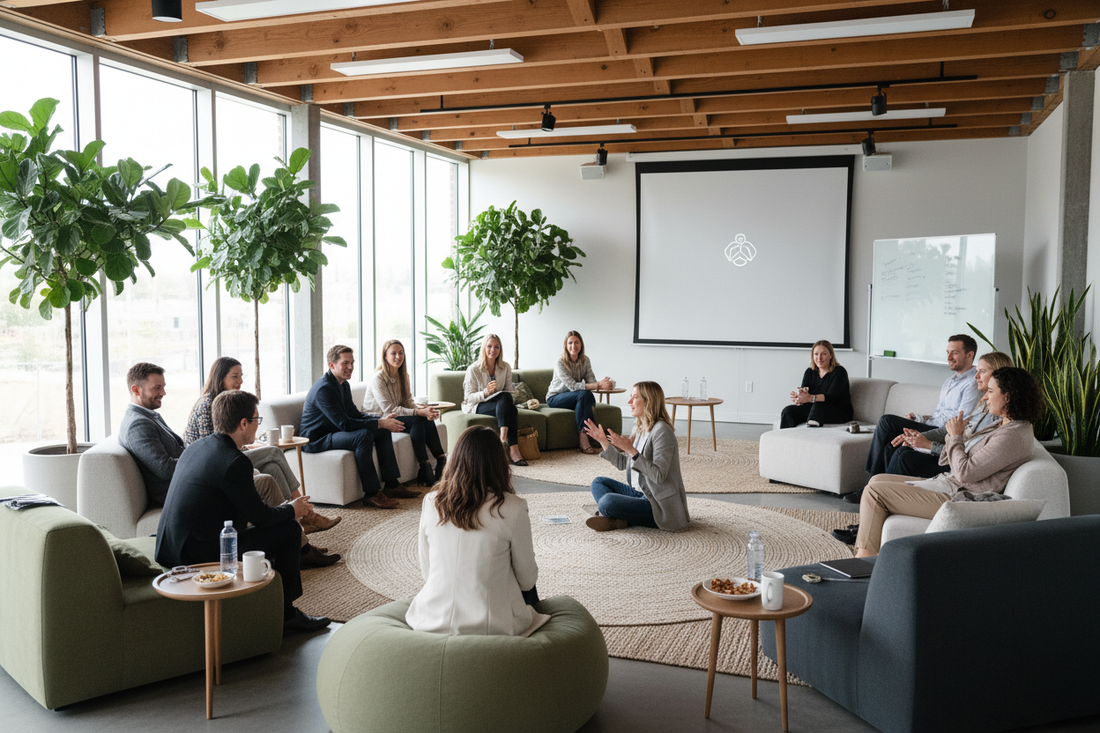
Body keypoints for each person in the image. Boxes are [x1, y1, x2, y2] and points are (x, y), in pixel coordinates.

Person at [155, 389, 331, 634]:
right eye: (257, 419)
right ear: (243, 423)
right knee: (290, 530)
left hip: (169, 546)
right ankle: (286, 615)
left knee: (271, 529)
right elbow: (262, 518)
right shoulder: (234, 461)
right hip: (194, 554)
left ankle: (265, 598)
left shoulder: (198, 447)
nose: (259, 425)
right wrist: (293, 509)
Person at [850, 366, 1044, 557]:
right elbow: (959, 456)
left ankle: (864, 559)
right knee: (877, 480)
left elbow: (965, 472)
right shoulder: (1002, 425)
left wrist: (955, 436)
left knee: (875, 492)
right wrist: (934, 442)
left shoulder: (1011, 436)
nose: (985, 397)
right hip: (950, 484)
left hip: (960, 499)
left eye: (991, 391)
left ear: (1007, 397)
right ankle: (871, 552)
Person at [405, 426, 550, 637]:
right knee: (522, 579)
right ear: (499, 463)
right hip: (492, 625)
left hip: (431, 618)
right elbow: (527, 580)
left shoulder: (431, 502)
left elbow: (427, 573)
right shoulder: (513, 507)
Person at [186, 356, 341, 536]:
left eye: (241, 376)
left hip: (227, 456)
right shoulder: (207, 404)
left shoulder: (229, 402)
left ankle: (294, 524)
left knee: (272, 467)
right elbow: (211, 448)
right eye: (235, 376)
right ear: (220, 378)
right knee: (273, 452)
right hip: (212, 467)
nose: (240, 381)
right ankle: (306, 513)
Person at [848, 334, 983, 504]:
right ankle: (875, 490)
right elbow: (939, 415)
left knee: (887, 422)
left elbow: (959, 424)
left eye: (954, 353)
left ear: (969, 355)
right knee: (891, 444)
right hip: (932, 426)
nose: (948, 357)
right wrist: (919, 418)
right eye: (947, 352)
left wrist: (921, 435)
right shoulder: (949, 382)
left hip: (944, 433)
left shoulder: (972, 384)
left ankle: (870, 485)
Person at [300, 345, 412, 509]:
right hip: (317, 439)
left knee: (382, 431)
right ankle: (372, 494)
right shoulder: (324, 389)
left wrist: (381, 420)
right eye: (345, 363)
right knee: (364, 436)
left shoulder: (343, 384)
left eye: (352, 362)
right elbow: (345, 423)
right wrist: (379, 423)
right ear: (331, 365)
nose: (351, 367)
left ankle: (392, 485)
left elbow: (355, 414)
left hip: (334, 431)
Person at [582, 381, 690, 532]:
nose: (629, 402)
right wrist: (603, 442)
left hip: (657, 502)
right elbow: (623, 464)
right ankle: (617, 518)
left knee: (607, 501)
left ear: (648, 401)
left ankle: (613, 516)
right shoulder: (640, 427)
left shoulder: (662, 431)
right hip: (640, 492)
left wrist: (631, 450)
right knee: (598, 483)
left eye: (635, 397)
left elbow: (658, 476)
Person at [365, 339, 447, 487]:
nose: (398, 357)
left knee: (425, 419)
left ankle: (441, 461)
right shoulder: (378, 378)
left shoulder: (403, 376)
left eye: (401, 353)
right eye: (393, 353)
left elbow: (408, 401)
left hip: (395, 415)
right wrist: (419, 412)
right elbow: (389, 409)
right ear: (385, 356)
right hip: (380, 419)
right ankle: (425, 466)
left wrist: (424, 412)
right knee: (418, 420)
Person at [117, 363, 182, 507]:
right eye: (157, 388)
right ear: (136, 390)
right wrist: (201, 460)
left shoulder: (147, 416)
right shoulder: (138, 424)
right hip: (176, 493)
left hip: (185, 484)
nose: (163, 393)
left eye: (163, 387)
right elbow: (165, 469)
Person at [545, 330, 615, 454]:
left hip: (576, 397)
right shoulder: (560, 362)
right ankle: (584, 437)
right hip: (555, 398)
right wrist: (597, 385)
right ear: (566, 346)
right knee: (585, 395)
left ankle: (590, 436)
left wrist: (605, 384)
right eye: (570, 343)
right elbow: (573, 386)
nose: (574, 346)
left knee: (586, 395)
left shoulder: (585, 360)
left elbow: (591, 381)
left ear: (581, 344)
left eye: (577, 342)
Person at [462, 334, 527, 466]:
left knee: (508, 402)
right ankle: (511, 448)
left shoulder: (506, 367)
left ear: (500, 349)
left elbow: (508, 391)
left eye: (497, 347)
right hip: (477, 405)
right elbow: (468, 397)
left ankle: (505, 443)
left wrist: (502, 394)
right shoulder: (473, 369)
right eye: (489, 346)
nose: (493, 350)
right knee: (510, 407)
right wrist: (485, 392)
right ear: (484, 348)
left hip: (500, 403)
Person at [779, 340, 853, 428]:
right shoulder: (810, 371)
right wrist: (799, 398)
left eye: (823, 354)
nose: (819, 358)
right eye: (816, 354)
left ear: (831, 355)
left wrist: (810, 398)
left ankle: (811, 435)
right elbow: (804, 392)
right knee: (788, 411)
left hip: (838, 411)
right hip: (814, 409)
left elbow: (831, 397)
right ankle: (786, 436)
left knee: (818, 405)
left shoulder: (840, 372)